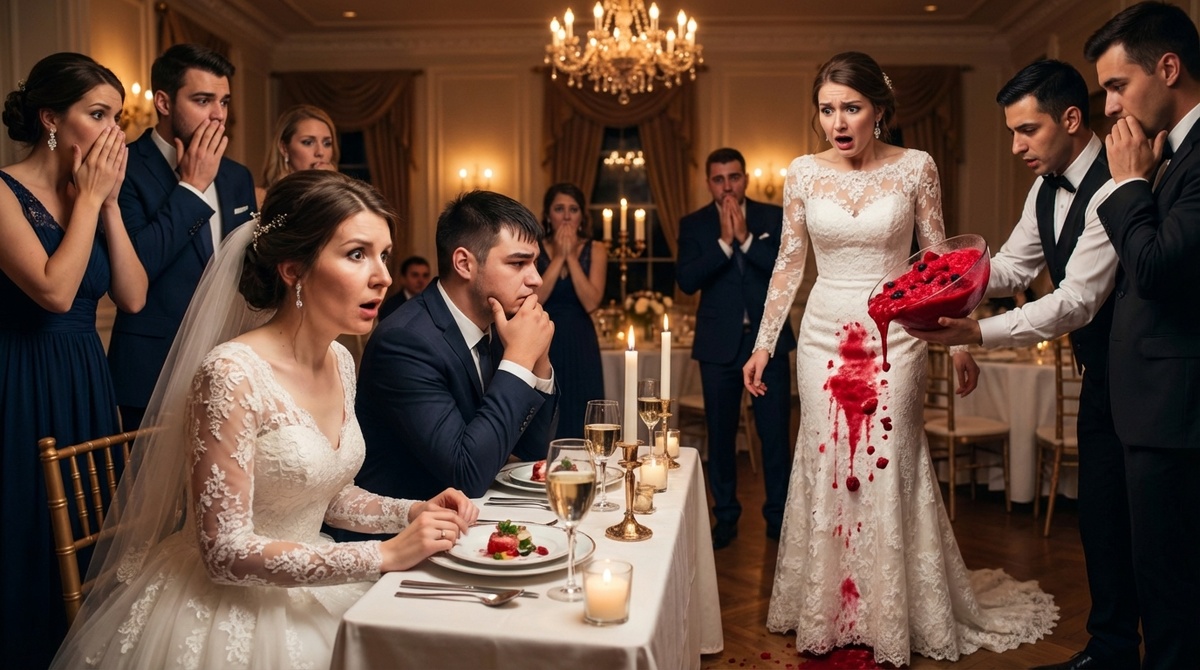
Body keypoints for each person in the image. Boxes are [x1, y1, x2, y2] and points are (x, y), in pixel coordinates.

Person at [51, 169, 479, 669]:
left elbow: (324, 492)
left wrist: (411, 512)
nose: (383, 276)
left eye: (384, 254)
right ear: (293, 269)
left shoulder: (341, 359)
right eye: (357, 254)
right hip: (223, 608)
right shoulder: (231, 374)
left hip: (312, 580)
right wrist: (381, 556)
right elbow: (223, 552)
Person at [742, 51, 1057, 666]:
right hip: (823, 335)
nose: (838, 122)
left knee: (890, 459)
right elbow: (788, 263)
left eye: (851, 108)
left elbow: (939, 261)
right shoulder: (802, 173)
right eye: (827, 110)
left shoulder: (916, 166)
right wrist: (764, 343)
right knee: (828, 459)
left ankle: (892, 608)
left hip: (900, 334)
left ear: (879, 110)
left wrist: (959, 340)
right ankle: (830, 607)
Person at [908, 59, 1137, 670]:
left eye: (1027, 130)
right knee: (1102, 519)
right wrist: (944, 281)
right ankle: (1111, 650)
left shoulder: (1115, 183)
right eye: (1012, 132)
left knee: (1145, 524)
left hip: (1141, 375)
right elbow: (1012, 267)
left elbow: (1076, 301)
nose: (1015, 146)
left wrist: (976, 331)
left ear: (1071, 118)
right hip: (1100, 378)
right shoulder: (1046, 188)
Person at [0, 51, 147, 670]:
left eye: (118, 117)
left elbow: (133, 297)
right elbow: (54, 292)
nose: (114, 132)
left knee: (90, 522)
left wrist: (107, 205)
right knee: (29, 523)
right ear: (51, 119)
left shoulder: (92, 197)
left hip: (86, 374)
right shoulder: (3, 191)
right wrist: (88, 200)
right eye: (98, 114)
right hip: (24, 376)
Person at [1084, 4, 1200, 668]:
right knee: (1162, 590)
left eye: (1117, 85)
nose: (1109, 106)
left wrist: (1130, 183)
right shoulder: (1171, 153)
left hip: (1178, 415)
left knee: (1175, 601)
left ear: (1168, 68)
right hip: (1153, 411)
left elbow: (1154, 270)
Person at [355, 190, 558, 501]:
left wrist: (538, 359)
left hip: (474, 515)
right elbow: (467, 475)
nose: (536, 279)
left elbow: (534, 450)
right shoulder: (405, 342)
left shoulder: (501, 324)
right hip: (411, 521)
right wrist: (519, 360)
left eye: (535, 263)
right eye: (518, 263)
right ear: (464, 264)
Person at [107, 43, 257, 433]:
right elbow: (137, 268)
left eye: (224, 102)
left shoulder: (237, 176)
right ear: (163, 102)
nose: (218, 114)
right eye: (203, 100)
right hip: (151, 369)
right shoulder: (123, 168)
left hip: (232, 365)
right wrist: (191, 188)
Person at [677, 148, 796, 549]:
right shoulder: (693, 224)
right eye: (718, 179)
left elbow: (785, 271)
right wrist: (725, 244)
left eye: (733, 177)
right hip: (718, 347)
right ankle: (725, 516)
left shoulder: (773, 216)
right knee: (721, 436)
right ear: (708, 183)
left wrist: (745, 239)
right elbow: (686, 280)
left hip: (769, 344)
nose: (727, 186)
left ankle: (778, 518)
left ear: (744, 178)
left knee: (775, 435)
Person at [535, 183, 606, 438]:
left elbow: (591, 302)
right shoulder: (534, 247)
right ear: (548, 215)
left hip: (581, 339)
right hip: (543, 337)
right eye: (559, 209)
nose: (566, 216)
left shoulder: (596, 249)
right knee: (546, 410)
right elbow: (535, 298)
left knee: (583, 408)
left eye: (573, 210)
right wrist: (558, 258)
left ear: (582, 216)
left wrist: (571, 258)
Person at [255, 103, 339, 207]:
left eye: (327, 143)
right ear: (284, 148)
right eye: (308, 142)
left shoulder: (341, 197)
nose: (320, 152)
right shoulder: (261, 198)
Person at [377, 254, 432, 321]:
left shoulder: (433, 302)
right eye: (415, 275)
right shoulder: (392, 307)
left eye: (425, 275)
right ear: (403, 278)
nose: (421, 280)